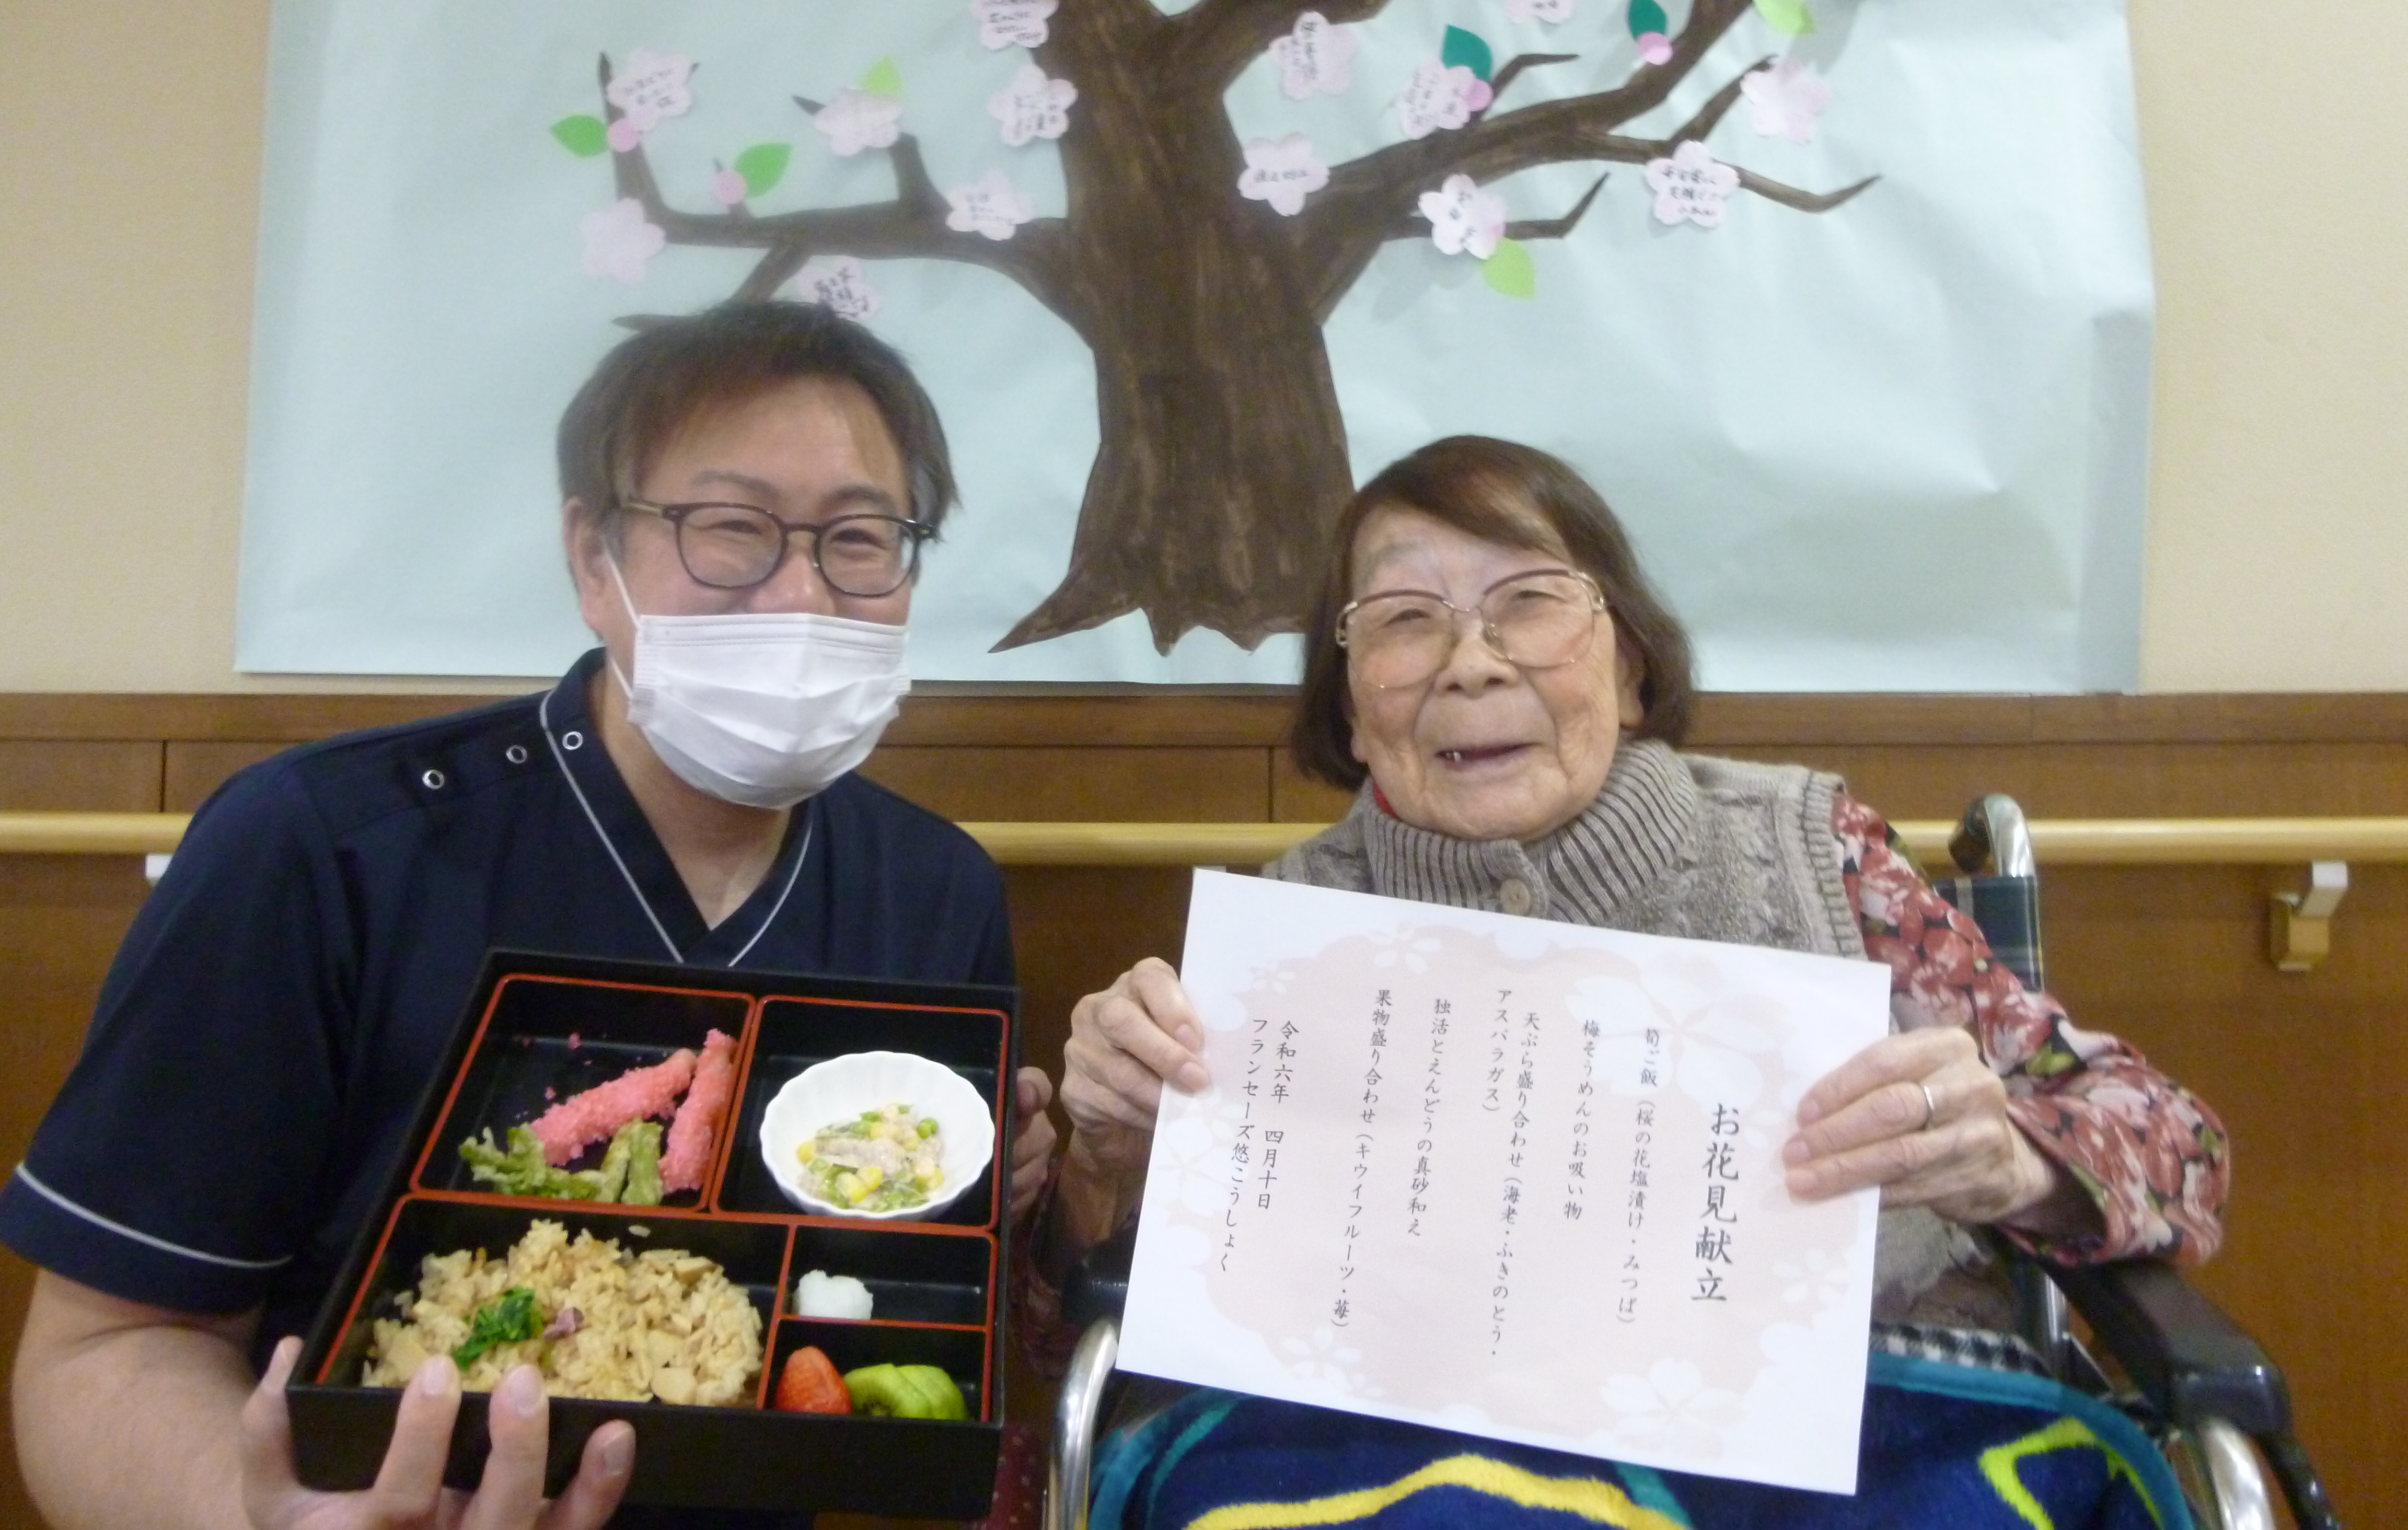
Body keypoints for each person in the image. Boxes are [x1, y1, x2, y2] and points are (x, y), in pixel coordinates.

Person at [3, 300, 1058, 1530]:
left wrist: (1031, 1189)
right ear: (592, 559)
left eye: (861, 539)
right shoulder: (317, 849)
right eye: (732, 528)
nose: (802, 592)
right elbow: (104, 1348)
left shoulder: (935, 888)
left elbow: (929, 1296)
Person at [1041, 436, 2228, 1524]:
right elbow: (1093, 1322)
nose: (1470, 664)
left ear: (1631, 668)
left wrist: (2017, 1160)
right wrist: (1105, 1156)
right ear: (1351, 709)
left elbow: (2177, 1141)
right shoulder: (1291, 941)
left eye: (1529, 601)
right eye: (1404, 620)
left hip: (1860, 1445)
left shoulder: (1810, 853)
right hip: (1391, 1460)